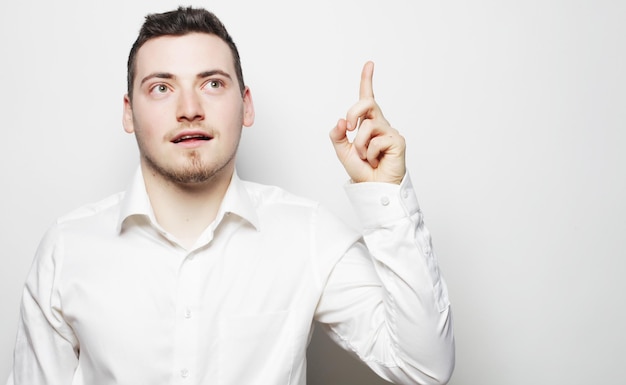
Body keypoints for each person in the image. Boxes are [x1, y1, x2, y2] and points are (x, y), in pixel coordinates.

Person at [7, 6, 454, 385]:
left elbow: (424, 366)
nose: (188, 109)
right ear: (129, 112)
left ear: (247, 105)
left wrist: (384, 193)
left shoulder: (307, 235)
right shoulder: (68, 249)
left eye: (212, 84)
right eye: (161, 88)